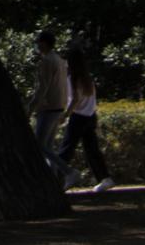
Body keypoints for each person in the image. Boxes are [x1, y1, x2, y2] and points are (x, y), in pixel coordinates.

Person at [58, 49, 115, 192]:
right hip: (90, 116)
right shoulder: (87, 78)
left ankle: (58, 178)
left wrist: (65, 115)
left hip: (78, 117)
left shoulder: (72, 77)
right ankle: (105, 178)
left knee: (66, 149)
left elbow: (75, 99)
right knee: (92, 149)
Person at [26, 31, 72, 177]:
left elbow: (42, 87)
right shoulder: (60, 60)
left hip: (48, 107)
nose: (36, 45)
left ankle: (68, 171)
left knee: (39, 145)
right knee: (48, 147)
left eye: (38, 42)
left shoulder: (47, 61)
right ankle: (54, 179)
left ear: (44, 43)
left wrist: (31, 107)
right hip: (59, 106)